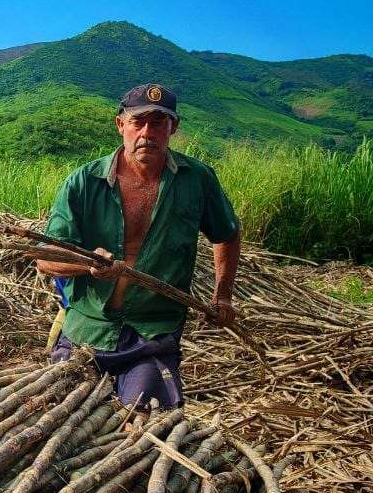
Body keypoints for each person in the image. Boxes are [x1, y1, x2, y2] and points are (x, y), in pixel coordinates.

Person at [35, 83, 241, 411]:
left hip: (152, 333)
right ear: (121, 126)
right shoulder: (84, 182)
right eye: (138, 122)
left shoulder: (197, 180)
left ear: (173, 127)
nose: (147, 132)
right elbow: (46, 258)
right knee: (57, 412)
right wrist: (88, 265)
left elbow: (226, 234)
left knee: (148, 422)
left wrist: (223, 295)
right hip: (88, 329)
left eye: (158, 122)